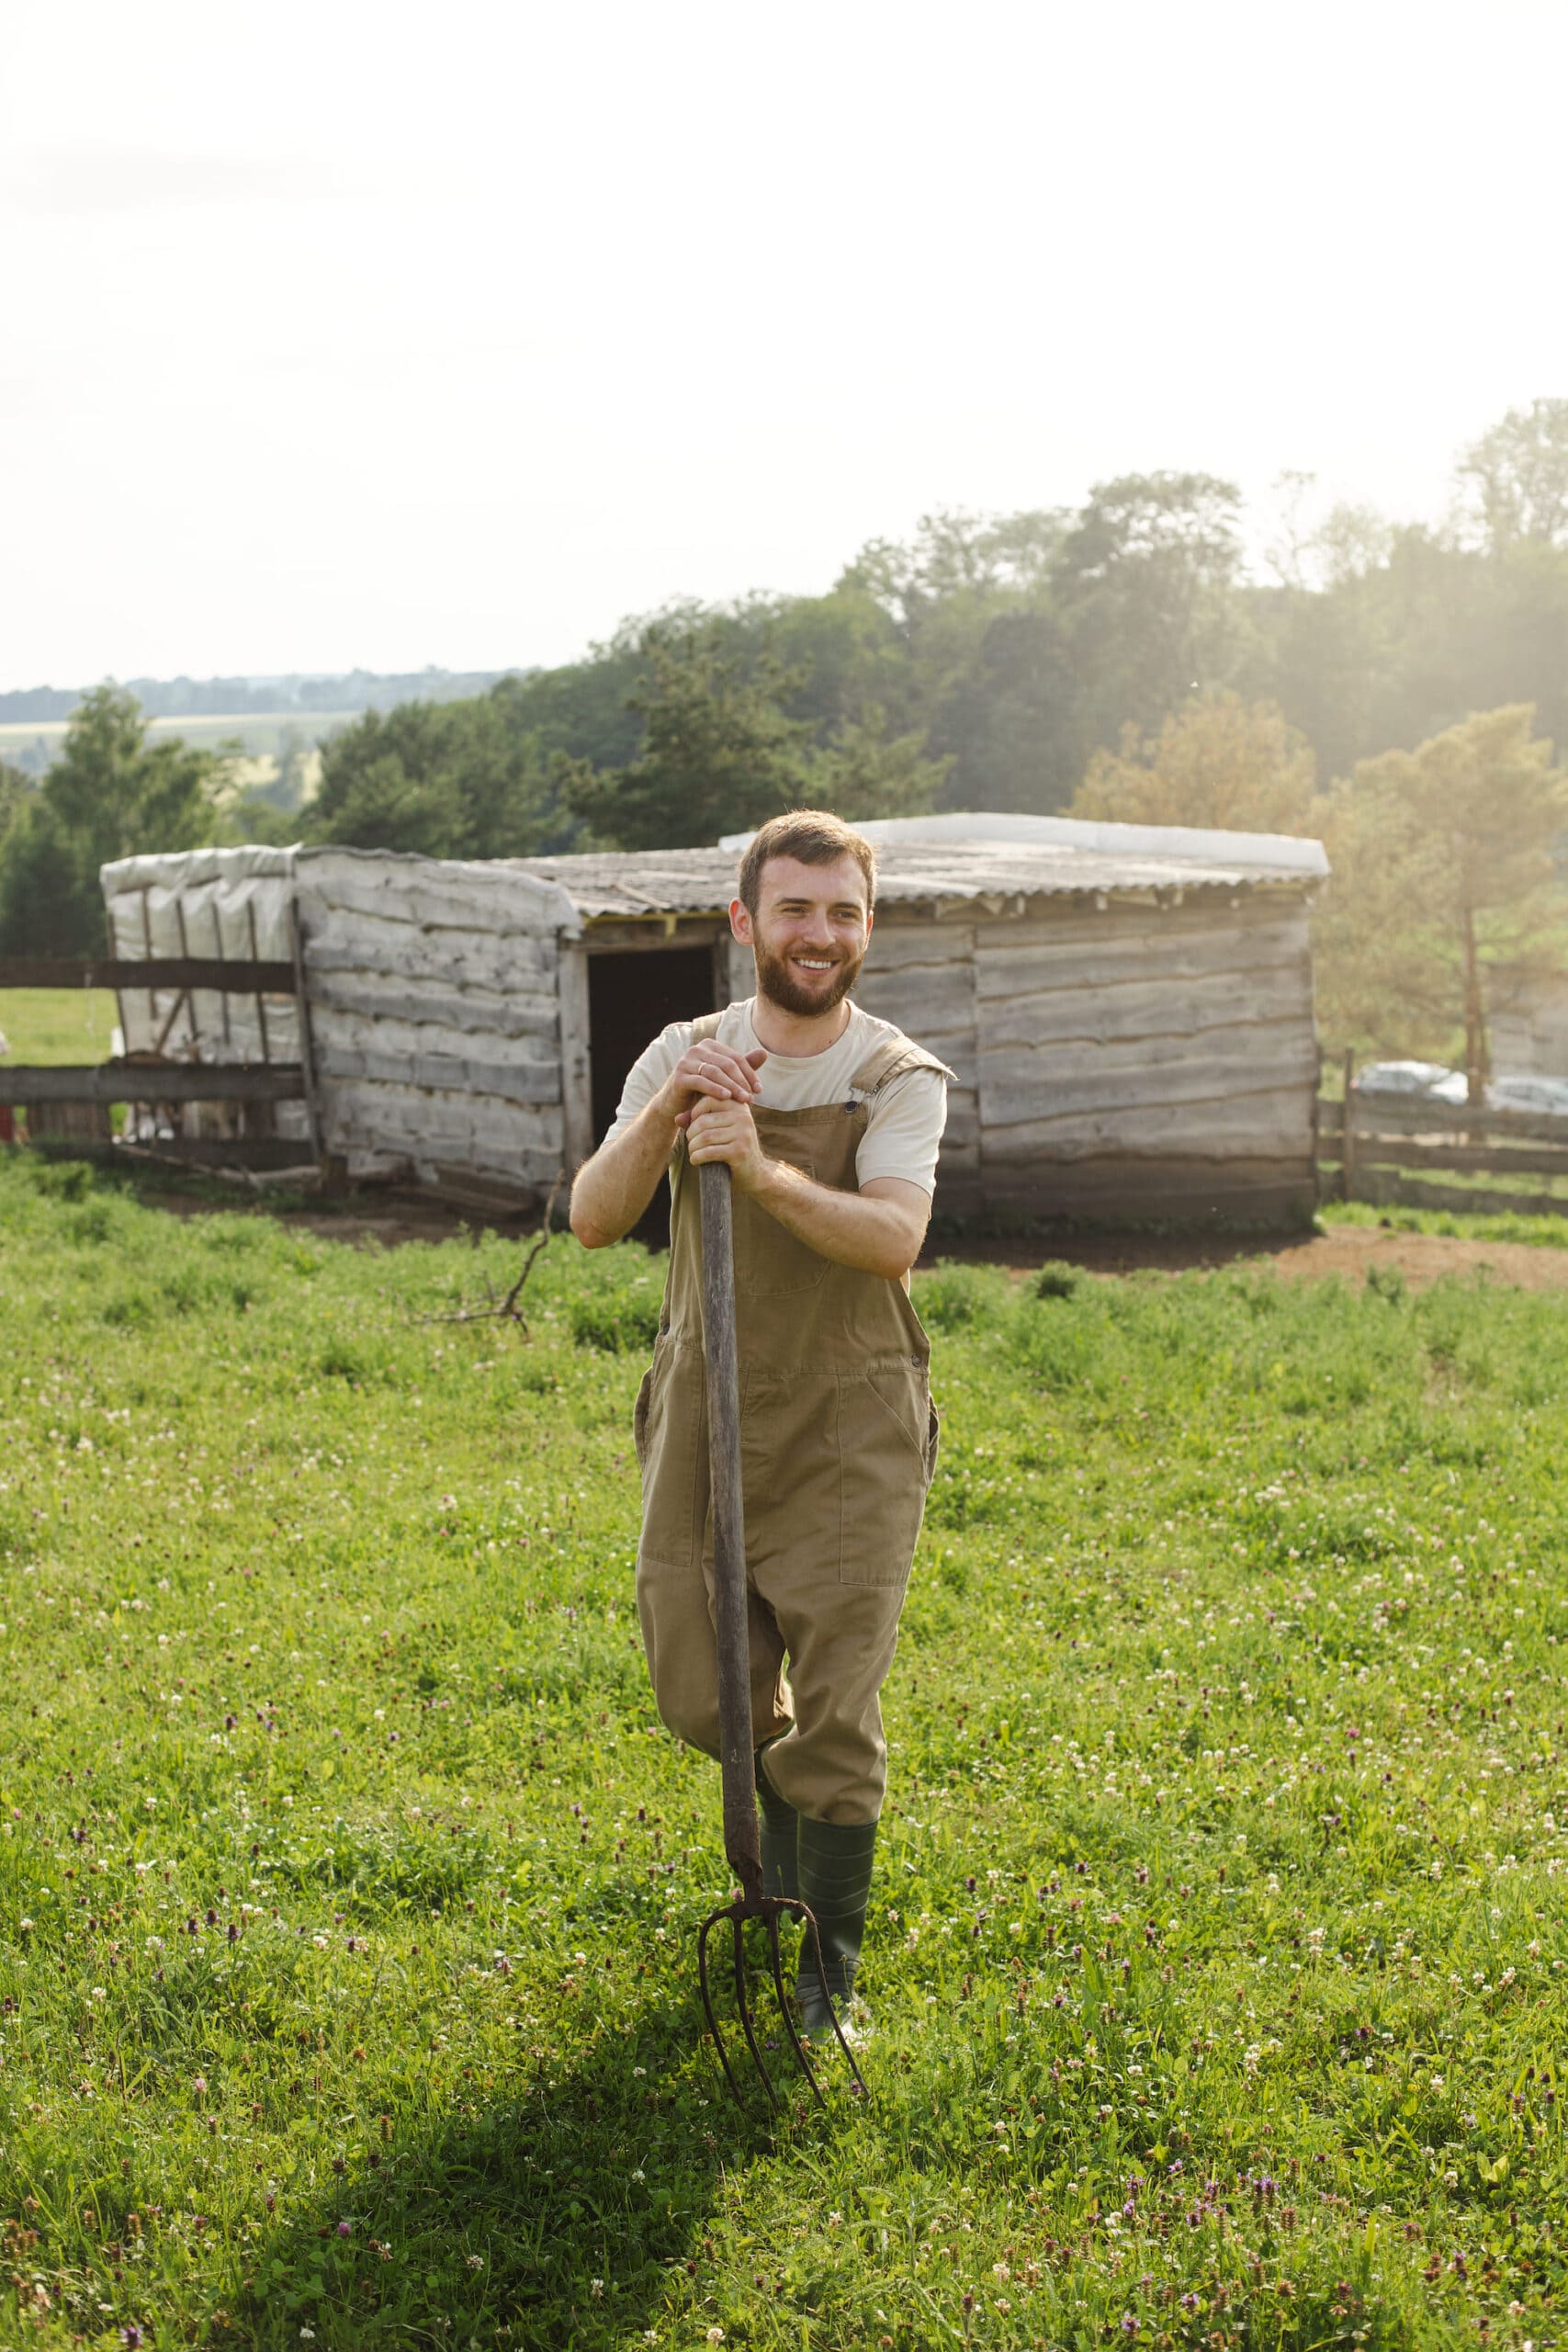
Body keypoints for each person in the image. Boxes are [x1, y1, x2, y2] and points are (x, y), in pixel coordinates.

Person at [570, 808, 950, 2040]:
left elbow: (893, 1238)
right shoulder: (684, 1052)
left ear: (866, 927)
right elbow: (591, 1217)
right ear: (746, 922)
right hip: (707, 1408)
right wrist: (673, 1111)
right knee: (707, 1696)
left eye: (842, 912)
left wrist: (765, 1168)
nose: (819, 934)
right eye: (794, 908)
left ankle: (824, 1971)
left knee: (834, 1706)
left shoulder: (895, 1076)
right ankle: (784, 1845)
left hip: (850, 1419)